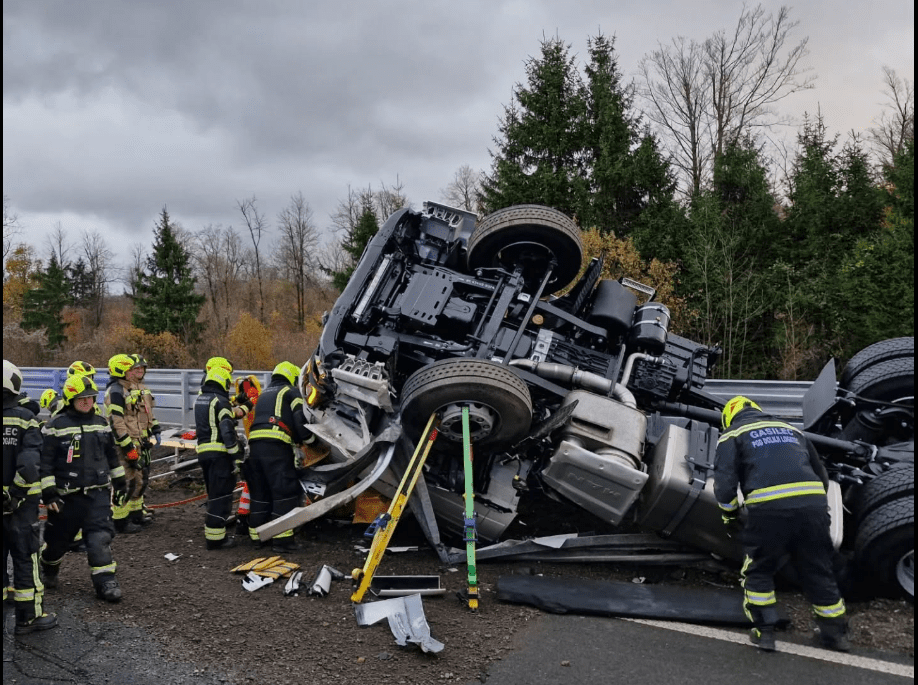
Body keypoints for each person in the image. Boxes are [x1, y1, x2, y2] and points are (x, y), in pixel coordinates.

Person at [714, 395, 849, 652]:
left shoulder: (732, 435)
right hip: (813, 508)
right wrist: (812, 505)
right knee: (818, 568)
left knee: (760, 568)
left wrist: (729, 516)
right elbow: (821, 474)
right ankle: (835, 635)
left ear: (728, 417)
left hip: (769, 511)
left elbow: (724, 483)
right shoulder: (791, 430)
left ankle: (764, 632)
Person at [40, 374, 128, 603]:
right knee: (57, 543)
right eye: (82, 399)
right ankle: (48, 568)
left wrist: (119, 481)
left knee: (99, 539)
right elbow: (45, 463)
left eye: (90, 398)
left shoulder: (101, 424)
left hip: (96, 494)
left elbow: (111, 455)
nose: (87, 402)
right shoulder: (55, 426)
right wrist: (48, 492)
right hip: (65, 499)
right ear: (70, 399)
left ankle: (106, 582)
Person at [3, 360, 58, 634]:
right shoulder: (26, 420)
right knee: (25, 558)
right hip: (20, 508)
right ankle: (29, 618)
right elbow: (29, 464)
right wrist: (13, 495)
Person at [246, 361, 317, 551]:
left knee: (261, 493)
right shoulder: (290, 392)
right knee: (284, 491)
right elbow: (299, 420)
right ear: (292, 377)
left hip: (255, 445)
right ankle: (282, 540)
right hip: (275, 445)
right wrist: (311, 441)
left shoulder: (264, 395)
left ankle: (257, 537)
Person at [104, 354, 159, 533]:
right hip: (123, 445)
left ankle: (135, 515)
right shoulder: (116, 391)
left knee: (137, 479)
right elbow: (117, 422)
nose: (133, 373)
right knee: (125, 482)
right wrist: (128, 448)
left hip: (135, 442)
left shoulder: (126, 389)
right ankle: (120, 522)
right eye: (129, 370)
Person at [195, 366, 243, 550]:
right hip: (220, 454)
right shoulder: (220, 401)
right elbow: (226, 429)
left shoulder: (201, 399)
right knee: (221, 497)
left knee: (213, 494)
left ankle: (213, 535)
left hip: (204, 453)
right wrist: (236, 456)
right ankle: (216, 540)